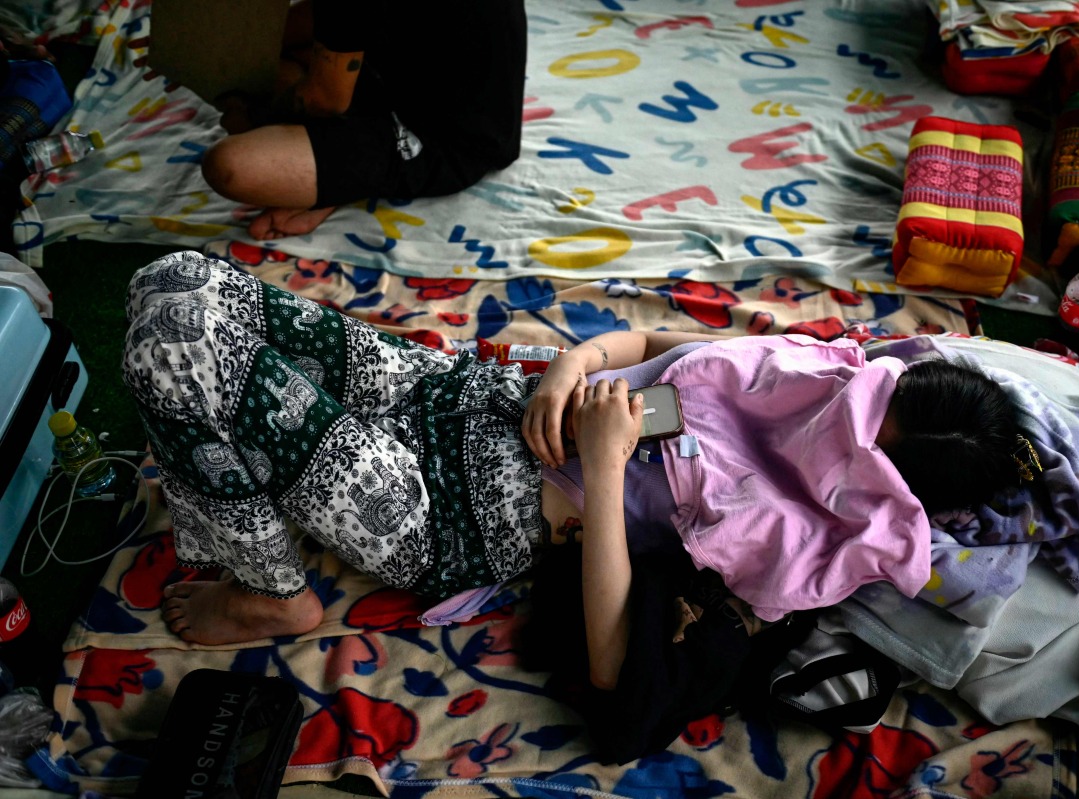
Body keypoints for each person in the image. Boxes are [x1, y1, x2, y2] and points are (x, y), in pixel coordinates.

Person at [124, 252, 1021, 650]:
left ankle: (270, 593)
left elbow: (611, 652)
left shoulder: (796, 539)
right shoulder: (813, 368)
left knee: (178, 342)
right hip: (459, 393)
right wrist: (572, 363)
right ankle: (248, 512)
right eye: (864, 400)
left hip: (446, 511)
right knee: (177, 282)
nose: (831, 415)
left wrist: (601, 464)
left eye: (853, 437)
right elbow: (658, 343)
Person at [199, 0, 527, 241]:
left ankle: (347, 184)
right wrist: (210, 52)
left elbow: (323, 101)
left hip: (454, 139)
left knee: (230, 165)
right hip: (397, 73)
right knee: (271, 66)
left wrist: (253, 112)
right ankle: (336, 174)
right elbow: (318, 17)